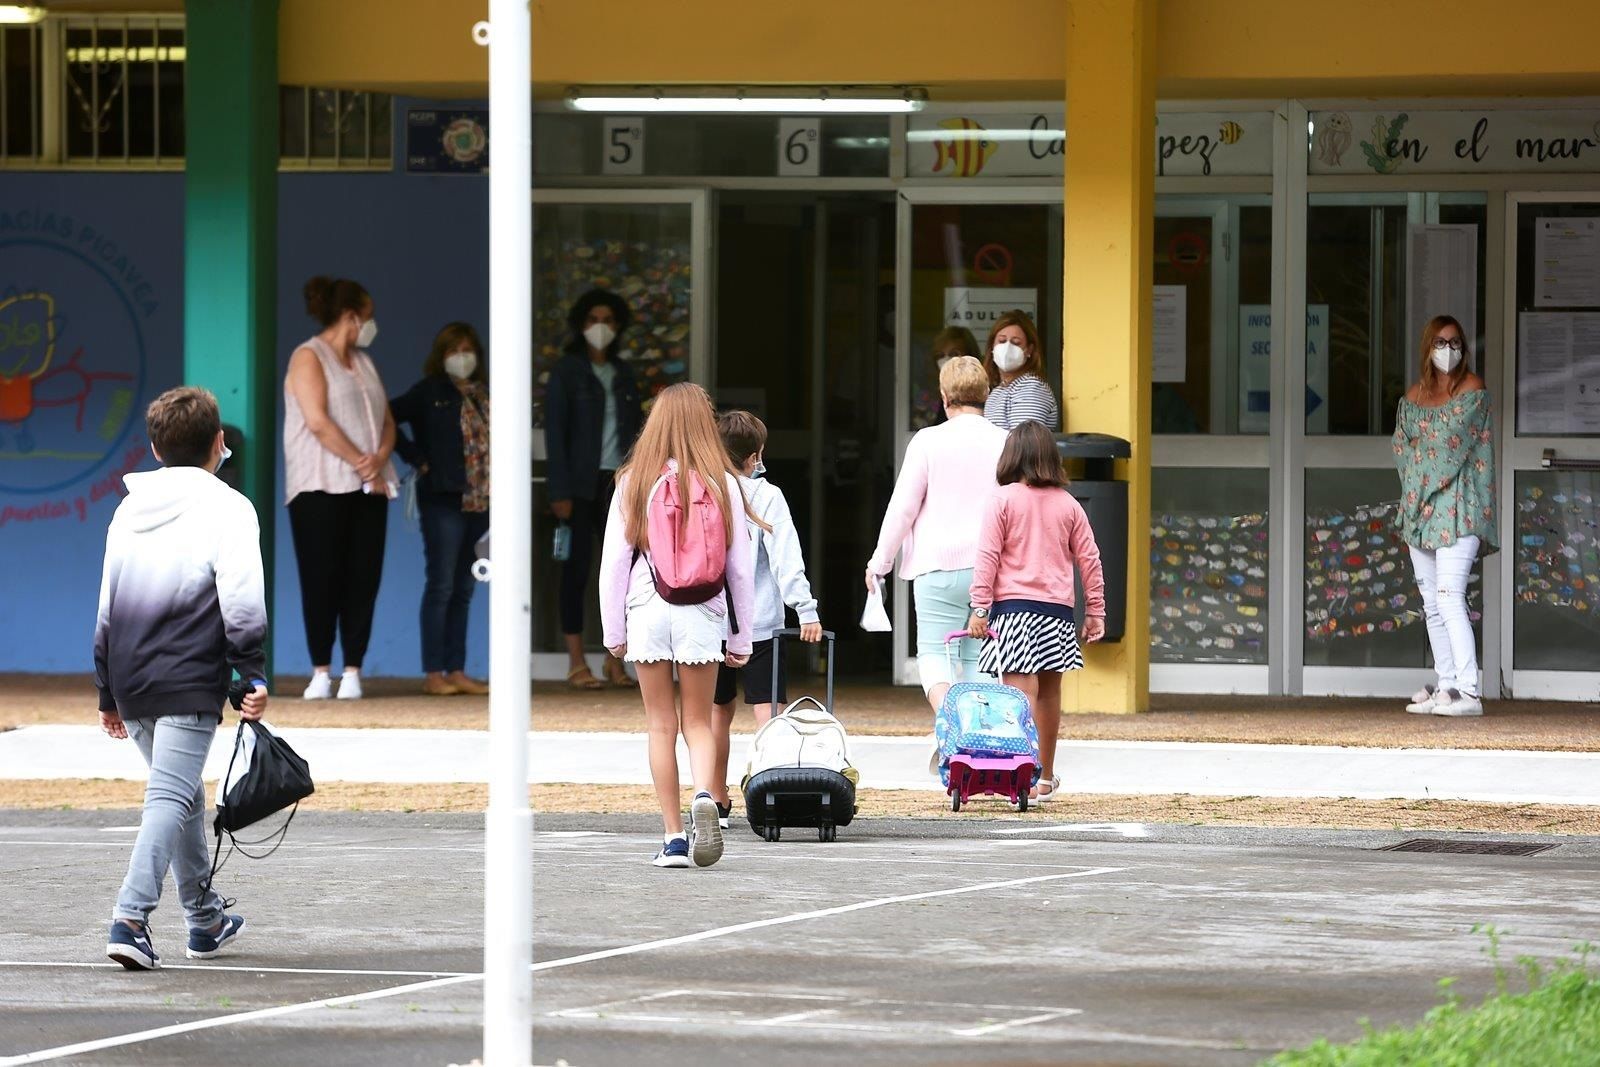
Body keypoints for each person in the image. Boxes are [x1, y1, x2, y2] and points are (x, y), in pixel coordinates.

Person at [94, 387, 266, 970]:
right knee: (170, 795)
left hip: (131, 677)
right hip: (189, 678)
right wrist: (252, 672)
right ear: (220, 444)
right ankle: (130, 916)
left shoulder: (126, 510)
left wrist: (105, 692)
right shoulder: (230, 508)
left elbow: (107, 605)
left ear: (154, 447)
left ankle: (204, 918)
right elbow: (241, 601)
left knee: (185, 794)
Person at [598, 383, 757, 869]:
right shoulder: (724, 482)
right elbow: (740, 569)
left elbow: (614, 563)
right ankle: (706, 798)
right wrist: (742, 634)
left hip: (648, 607)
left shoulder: (634, 480)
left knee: (659, 725)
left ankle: (672, 838)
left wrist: (613, 632)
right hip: (703, 612)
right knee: (699, 722)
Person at [967, 421, 1106, 802]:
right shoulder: (1068, 504)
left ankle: (1017, 773)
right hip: (1057, 613)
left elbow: (987, 557)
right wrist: (1095, 610)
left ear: (1011, 456)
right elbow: (1090, 559)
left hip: (1013, 610)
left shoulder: (1003, 500)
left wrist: (980, 606)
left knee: (1018, 694)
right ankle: (1043, 777)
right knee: (1048, 693)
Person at [866, 356, 1007, 712]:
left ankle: (950, 724)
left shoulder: (927, 441)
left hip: (935, 568)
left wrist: (879, 563)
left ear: (944, 396)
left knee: (934, 652)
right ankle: (979, 734)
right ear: (986, 393)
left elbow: (902, 509)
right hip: (990, 570)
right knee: (981, 657)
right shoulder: (1006, 442)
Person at [284, 276, 397, 702]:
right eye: (367, 317)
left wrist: (377, 458)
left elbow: (385, 418)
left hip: (369, 487)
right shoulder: (308, 357)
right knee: (321, 578)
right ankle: (320, 670)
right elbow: (317, 421)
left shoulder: (364, 362)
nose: (371, 325)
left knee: (363, 578)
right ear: (351, 316)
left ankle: (353, 669)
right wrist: (361, 462)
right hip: (318, 487)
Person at [709, 410, 822, 828]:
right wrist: (805, 610)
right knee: (768, 714)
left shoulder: (704, 491)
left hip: (711, 623)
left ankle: (713, 797)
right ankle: (768, 795)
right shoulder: (767, 495)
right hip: (761, 625)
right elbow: (785, 560)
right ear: (755, 455)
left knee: (717, 713)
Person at [1394, 315, 1497, 717]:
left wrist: (1419, 474)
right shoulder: (1414, 395)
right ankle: (1447, 686)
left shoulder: (1473, 390)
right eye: (1440, 341)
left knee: (1450, 597)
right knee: (1431, 604)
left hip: (1459, 511)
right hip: (1420, 513)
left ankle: (1470, 692)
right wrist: (1418, 483)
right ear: (1427, 346)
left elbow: (1446, 448)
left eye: (1455, 343)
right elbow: (1403, 447)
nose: (1448, 350)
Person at [548, 288, 643, 690]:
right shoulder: (567, 371)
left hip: (618, 482)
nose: (600, 327)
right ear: (581, 325)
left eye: (607, 320)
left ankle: (613, 660)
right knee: (576, 570)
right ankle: (575, 661)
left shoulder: (623, 372)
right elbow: (556, 433)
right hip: (577, 484)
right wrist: (559, 490)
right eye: (592, 320)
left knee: (623, 570)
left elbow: (639, 430)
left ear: (618, 326)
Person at [391, 322, 491, 697]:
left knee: (465, 587)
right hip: (444, 499)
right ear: (441, 354)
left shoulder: (483, 394)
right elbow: (389, 416)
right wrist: (416, 458)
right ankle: (434, 672)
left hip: (481, 502)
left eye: (467, 349)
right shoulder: (428, 392)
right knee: (442, 583)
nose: (461, 357)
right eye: (453, 349)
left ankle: (457, 669)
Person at [983, 310, 1060, 431]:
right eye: (1002, 341)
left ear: (1029, 350)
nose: (1007, 347)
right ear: (991, 346)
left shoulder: (1031, 387)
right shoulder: (998, 391)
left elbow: (1024, 446)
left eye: (1016, 343)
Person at [914, 326, 982, 429]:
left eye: (954, 354)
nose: (947, 360)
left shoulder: (981, 393)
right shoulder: (934, 396)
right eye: (940, 355)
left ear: (970, 355)